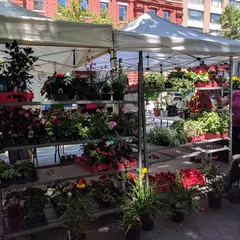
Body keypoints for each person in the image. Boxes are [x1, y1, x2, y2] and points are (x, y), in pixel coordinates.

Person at [215, 90, 240, 155]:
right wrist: (217, 92)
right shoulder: (235, 94)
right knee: (234, 149)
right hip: (233, 126)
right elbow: (221, 103)